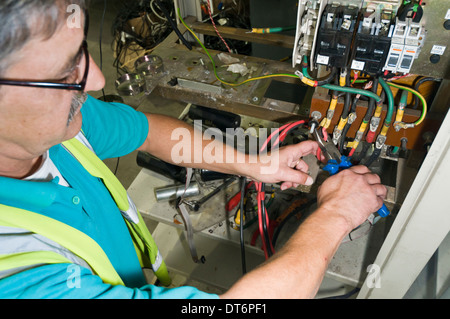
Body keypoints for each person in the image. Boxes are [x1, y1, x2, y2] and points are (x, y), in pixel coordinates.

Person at [0, 0, 387, 299]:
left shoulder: (60, 126)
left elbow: (148, 131)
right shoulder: (19, 275)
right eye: (65, 72)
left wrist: (253, 166)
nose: (97, 78)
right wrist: (336, 215)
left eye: (81, 52)